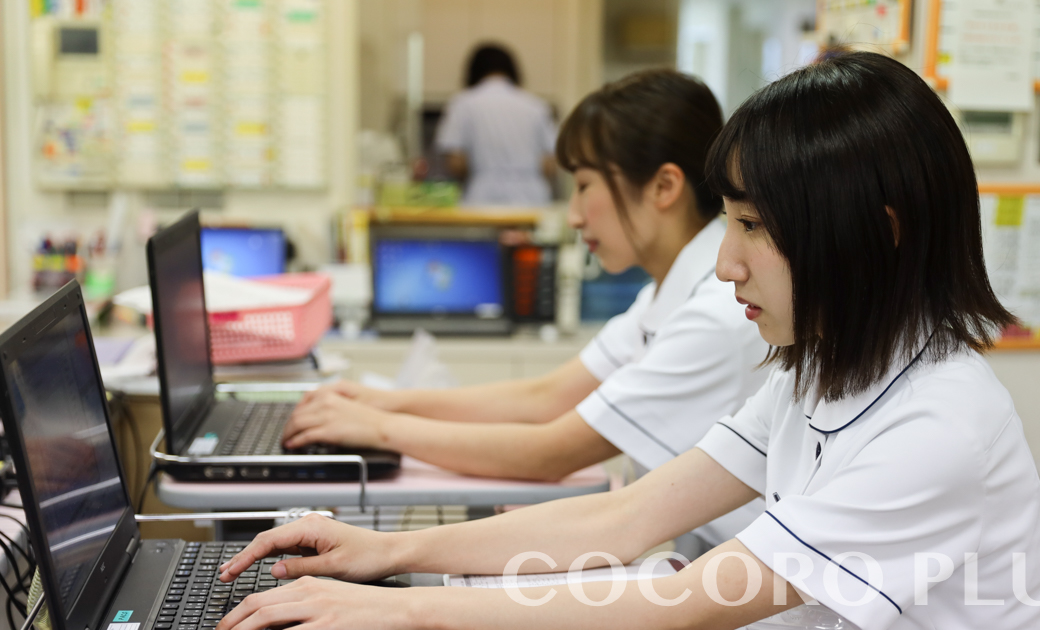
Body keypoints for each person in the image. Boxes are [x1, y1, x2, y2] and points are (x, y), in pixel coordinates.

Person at [214, 52, 1040, 630]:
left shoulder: (938, 426)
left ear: (878, 235)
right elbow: (625, 517)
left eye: (754, 227)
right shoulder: (821, 374)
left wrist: (401, 614)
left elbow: (679, 610)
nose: (726, 263)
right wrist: (389, 555)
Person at [285, 69, 770, 555]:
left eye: (584, 185)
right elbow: (544, 397)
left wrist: (378, 429)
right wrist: (378, 402)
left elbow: (551, 452)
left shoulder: (715, 315)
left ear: (664, 186)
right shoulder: (667, 294)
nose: (574, 215)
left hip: (741, 576)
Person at [434, 44, 558, 206]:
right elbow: (550, 164)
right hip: (532, 198)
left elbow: (456, 162)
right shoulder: (536, 105)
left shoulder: (463, 103)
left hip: (482, 197)